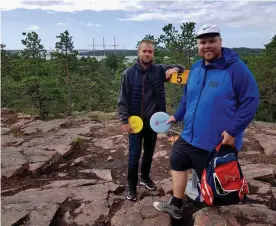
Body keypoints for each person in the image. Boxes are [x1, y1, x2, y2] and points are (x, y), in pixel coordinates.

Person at [153, 24, 260, 219]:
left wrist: (233, 130)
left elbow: (251, 100)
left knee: (214, 184)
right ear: (198, 45)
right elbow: (187, 97)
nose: (207, 46)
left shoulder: (236, 69)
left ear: (220, 42)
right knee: (177, 158)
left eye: (212, 41)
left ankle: (212, 209)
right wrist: (177, 116)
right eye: (203, 42)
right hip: (191, 134)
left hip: (217, 140)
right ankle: (177, 204)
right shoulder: (196, 67)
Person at [118, 39, 185, 201]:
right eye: (144, 51)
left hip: (154, 122)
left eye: (150, 52)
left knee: (149, 153)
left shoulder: (159, 70)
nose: (147, 54)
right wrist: (124, 121)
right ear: (138, 52)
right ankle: (132, 187)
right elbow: (123, 99)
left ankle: (145, 178)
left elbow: (182, 68)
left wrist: (174, 69)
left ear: (153, 54)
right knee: (134, 155)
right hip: (135, 122)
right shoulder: (129, 73)